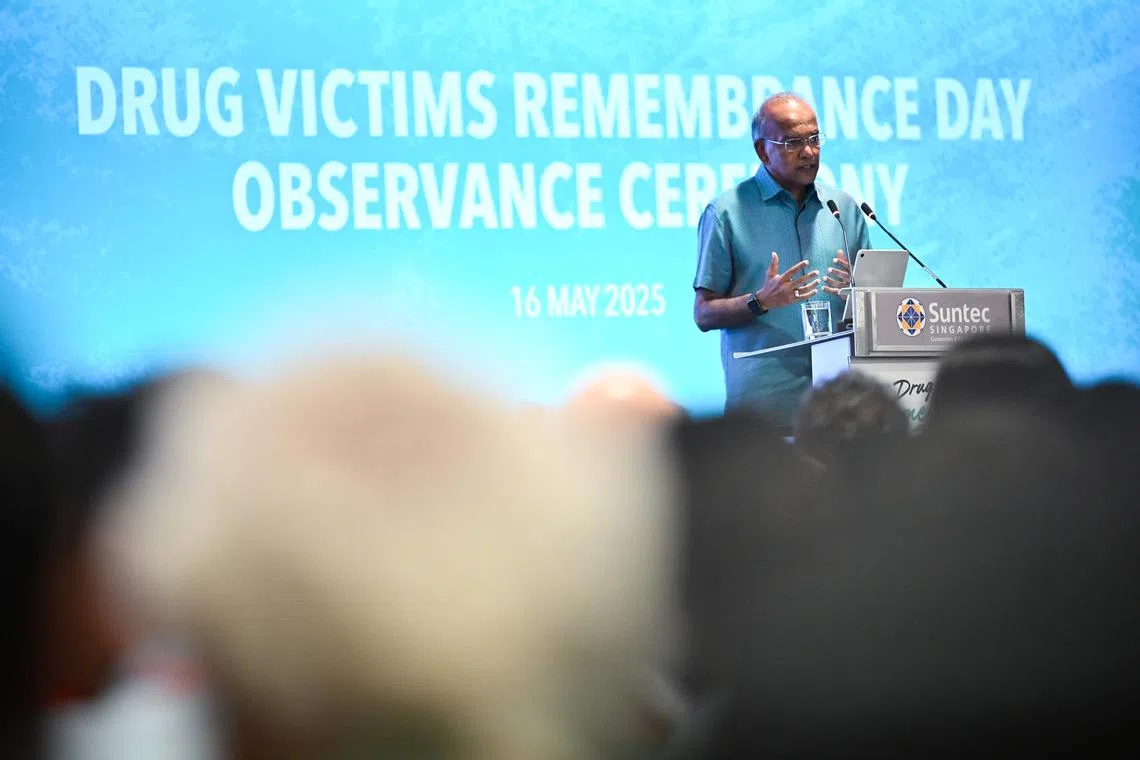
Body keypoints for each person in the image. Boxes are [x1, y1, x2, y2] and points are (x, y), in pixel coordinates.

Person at [692, 92, 870, 429]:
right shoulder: (726, 213)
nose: (808, 152)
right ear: (762, 150)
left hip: (840, 408)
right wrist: (760, 301)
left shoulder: (844, 208)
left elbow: (878, 303)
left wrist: (857, 295)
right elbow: (703, 313)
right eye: (792, 142)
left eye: (814, 139)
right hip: (763, 412)